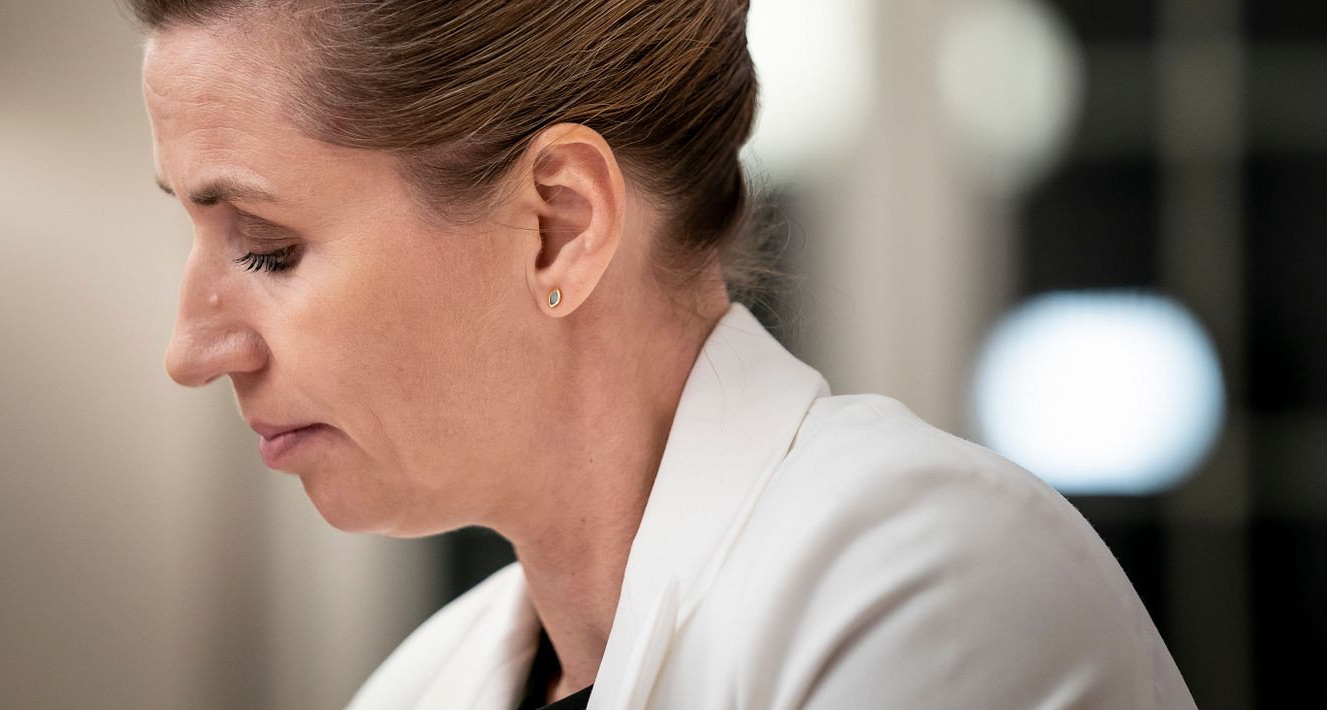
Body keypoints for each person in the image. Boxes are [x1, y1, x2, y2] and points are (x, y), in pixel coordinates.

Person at [130, 0, 1199, 708]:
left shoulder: (935, 592)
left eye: (266, 247)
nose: (192, 349)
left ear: (559, 225)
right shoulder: (415, 690)